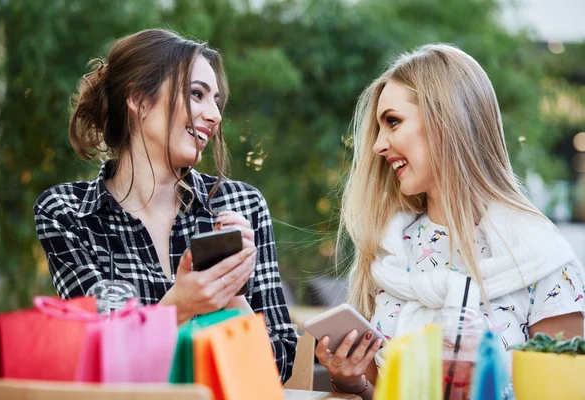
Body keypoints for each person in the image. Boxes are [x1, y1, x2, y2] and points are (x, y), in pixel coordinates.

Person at [315, 44, 585, 399]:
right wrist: (352, 381)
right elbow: (380, 392)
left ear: (446, 120)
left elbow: (564, 390)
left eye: (393, 121)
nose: (379, 144)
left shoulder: (538, 253)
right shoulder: (387, 249)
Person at [33, 29, 296, 382]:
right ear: (140, 100)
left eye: (217, 101)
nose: (215, 114)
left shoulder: (241, 204)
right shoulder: (67, 213)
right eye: (197, 94)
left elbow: (280, 364)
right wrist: (180, 307)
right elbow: (102, 364)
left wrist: (231, 293)